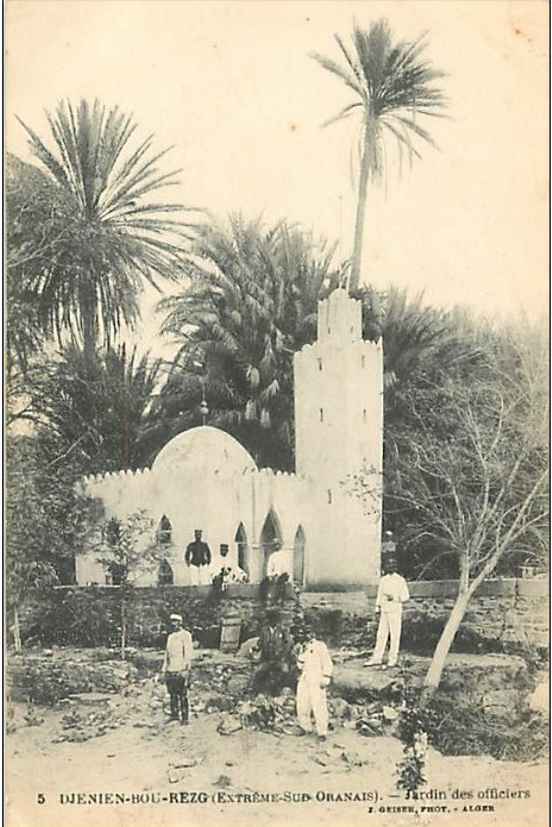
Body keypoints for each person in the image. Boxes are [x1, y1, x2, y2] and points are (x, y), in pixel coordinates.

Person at [366, 556, 409, 670]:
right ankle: (377, 658)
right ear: (386, 566)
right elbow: (379, 595)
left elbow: (406, 597)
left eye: (393, 564)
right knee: (381, 635)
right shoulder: (383, 580)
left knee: (395, 635)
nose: (391, 566)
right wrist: (377, 608)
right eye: (389, 564)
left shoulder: (400, 580)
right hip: (385, 610)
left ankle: (392, 659)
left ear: (396, 566)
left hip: (395, 610)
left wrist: (394, 597)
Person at [295, 624, 333, 742]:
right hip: (305, 677)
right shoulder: (301, 647)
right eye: (302, 633)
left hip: (317, 678)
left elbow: (327, 663)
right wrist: (300, 653)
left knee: (319, 704)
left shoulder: (320, 646)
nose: (305, 635)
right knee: (302, 703)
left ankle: (322, 731)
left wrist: (326, 677)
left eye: (307, 633)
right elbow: (300, 665)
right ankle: (305, 727)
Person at [251, 609, 293, 695]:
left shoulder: (282, 630)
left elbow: (288, 643)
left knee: (285, 673)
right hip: (266, 659)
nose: (273, 621)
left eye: (275, 619)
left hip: (279, 659)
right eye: (271, 619)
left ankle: (285, 692)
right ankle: (255, 692)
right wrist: (256, 650)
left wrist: (283, 656)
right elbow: (260, 643)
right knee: (258, 673)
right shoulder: (264, 630)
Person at [161, 613, 193, 724]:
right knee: (172, 694)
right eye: (172, 622)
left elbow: (188, 654)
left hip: (181, 669)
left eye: (176, 621)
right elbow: (167, 654)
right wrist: (164, 669)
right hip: (171, 669)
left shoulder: (186, 635)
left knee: (182, 694)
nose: (174, 624)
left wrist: (186, 669)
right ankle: (174, 715)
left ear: (180, 622)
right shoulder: (170, 637)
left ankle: (185, 718)